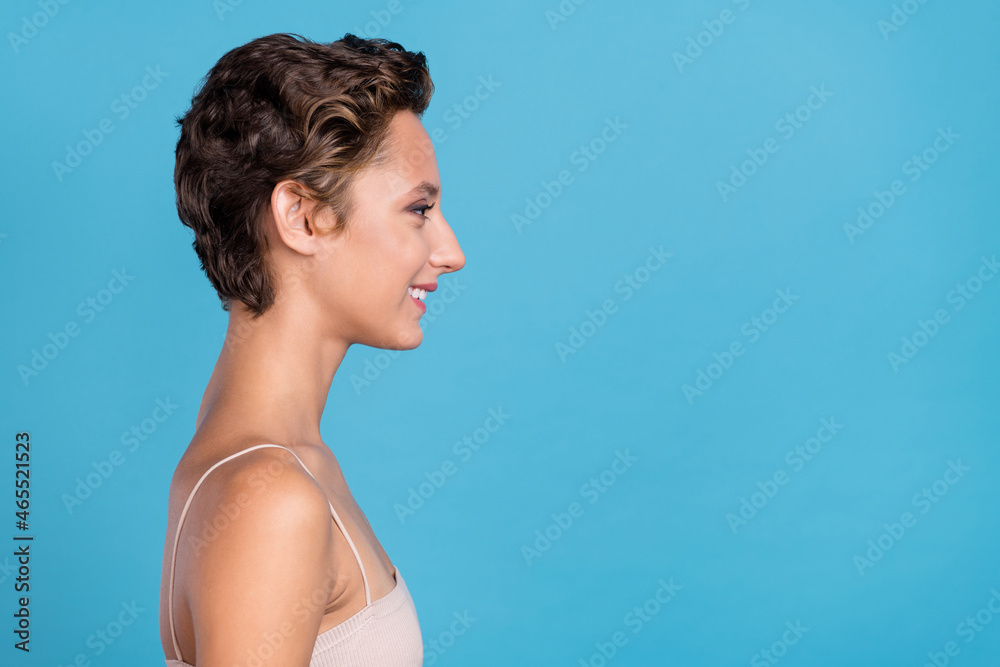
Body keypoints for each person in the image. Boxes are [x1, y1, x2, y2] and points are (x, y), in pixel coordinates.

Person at [157, 32, 465, 666]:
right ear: (302, 217)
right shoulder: (270, 495)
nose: (451, 252)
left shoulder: (280, 463)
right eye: (418, 209)